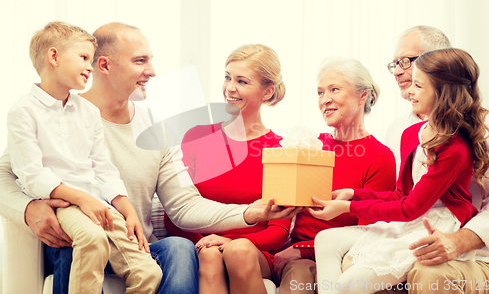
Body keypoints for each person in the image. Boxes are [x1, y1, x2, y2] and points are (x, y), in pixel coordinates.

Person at [0, 22, 299, 294]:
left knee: (180, 249)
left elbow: (184, 206)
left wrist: (250, 214)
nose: (153, 71)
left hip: (135, 245)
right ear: (104, 65)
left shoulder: (157, 130)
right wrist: (28, 208)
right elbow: (7, 175)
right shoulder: (56, 114)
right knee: (78, 248)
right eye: (141, 61)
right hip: (77, 240)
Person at [313, 48, 489, 294]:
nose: (409, 92)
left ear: (442, 93)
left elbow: (410, 208)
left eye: (418, 86)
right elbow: (400, 195)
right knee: (325, 239)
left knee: (346, 286)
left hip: (434, 225)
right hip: (408, 218)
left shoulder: (456, 149)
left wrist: (348, 207)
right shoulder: (410, 134)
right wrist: (354, 194)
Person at [6, 21, 162, 294]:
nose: (90, 66)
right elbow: (30, 173)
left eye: (91, 59)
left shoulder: (88, 112)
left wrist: (126, 208)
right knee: (92, 241)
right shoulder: (23, 112)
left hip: (99, 203)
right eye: (83, 58)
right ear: (54, 57)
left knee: (148, 272)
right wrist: (82, 198)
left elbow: (103, 166)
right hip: (65, 204)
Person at [164, 44, 291, 294]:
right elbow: (174, 215)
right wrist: (203, 244)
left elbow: (279, 230)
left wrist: (230, 241)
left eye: (242, 81)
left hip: (254, 251)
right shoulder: (197, 136)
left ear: (267, 92)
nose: (230, 88)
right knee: (211, 256)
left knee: (237, 251)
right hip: (202, 248)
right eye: (227, 77)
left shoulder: (280, 150)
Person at [385, 26, 489, 294]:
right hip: (412, 239)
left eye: (406, 62)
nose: (398, 72)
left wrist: (459, 241)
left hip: (476, 252)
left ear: (439, 64)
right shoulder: (399, 128)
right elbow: (400, 196)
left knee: (429, 274)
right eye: (394, 64)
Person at [274, 57, 396, 294]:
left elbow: (368, 232)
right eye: (320, 92)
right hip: (299, 258)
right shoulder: (311, 145)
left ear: (363, 96)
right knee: (299, 276)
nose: (324, 99)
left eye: (334, 89)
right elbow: (283, 204)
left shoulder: (380, 156)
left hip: (344, 255)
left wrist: (303, 248)